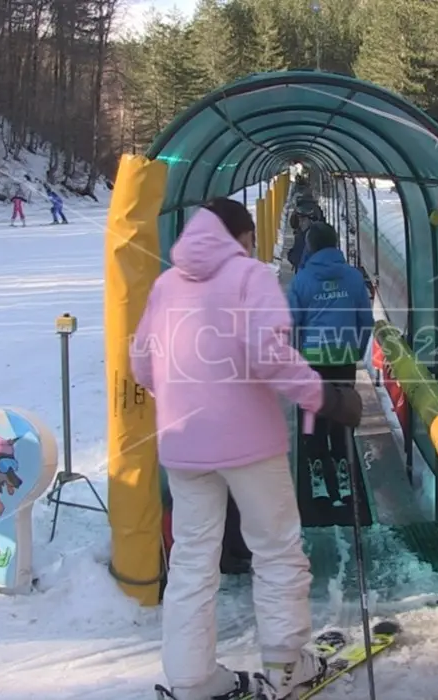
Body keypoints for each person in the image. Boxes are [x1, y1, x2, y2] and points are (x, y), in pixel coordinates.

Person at [132, 197, 362, 700]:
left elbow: (143, 366)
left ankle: (193, 680)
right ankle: (286, 667)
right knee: (276, 549)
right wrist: (325, 396)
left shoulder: (165, 284)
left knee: (193, 559)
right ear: (241, 237)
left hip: (182, 444)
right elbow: (270, 356)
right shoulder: (249, 276)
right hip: (249, 446)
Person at [287, 223, 374, 507]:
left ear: (309, 247)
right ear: (335, 244)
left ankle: (317, 473)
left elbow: (292, 324)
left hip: (312, 360)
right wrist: (355, 351)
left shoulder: (302, 279)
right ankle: (343, 469)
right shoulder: (352, 277)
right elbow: (365, 321)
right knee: (340, 412)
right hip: (344, 358)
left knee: (312, 416)